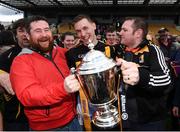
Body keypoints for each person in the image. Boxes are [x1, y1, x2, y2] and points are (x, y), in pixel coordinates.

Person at [10, 15, 82, 131]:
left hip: (74, 120)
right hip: (48, 128)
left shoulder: (62, 52)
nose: (44, 35)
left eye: (46, 30)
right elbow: (27, 95)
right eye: (38, 31)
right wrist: (62, 89)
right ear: (28, 36)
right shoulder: (21, 61)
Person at [116, 17, 171, 130]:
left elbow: (166, 79)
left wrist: (141, 76)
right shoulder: (120, 51)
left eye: (124, 30)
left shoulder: (152, 50)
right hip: (125, 118)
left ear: (138, 33)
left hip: (150, 121)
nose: (120, 32)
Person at [65, 14, 117, 131]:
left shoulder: (109, 49)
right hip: (86, 107)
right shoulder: (71, 54)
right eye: (78, 31)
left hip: (109, 105)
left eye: (85, 28)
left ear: (94, 26)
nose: (82, 34)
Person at [0, 18, 29, 131]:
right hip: (15, 119)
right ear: (15, 35)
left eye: (28, 30)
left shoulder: (44, 54)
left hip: (41, 118)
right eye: (21, 30)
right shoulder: (6, 57)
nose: (25, 34)